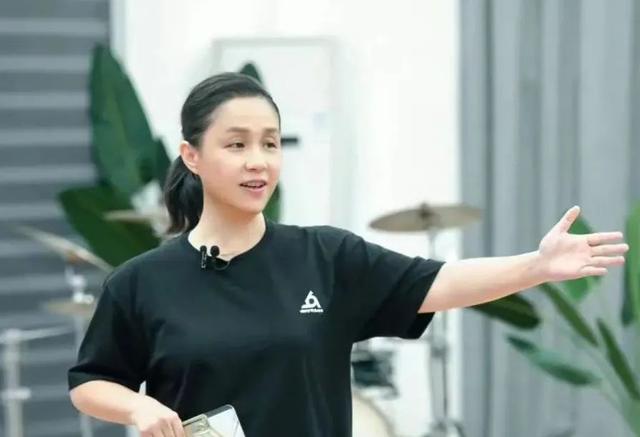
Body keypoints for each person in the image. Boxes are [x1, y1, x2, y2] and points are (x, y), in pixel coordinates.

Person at [67, 72, 628, 437]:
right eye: (236, 144)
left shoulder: (325, 256)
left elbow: (439, 282)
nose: (258, 160)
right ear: (192, 156)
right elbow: (90, 381)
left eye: (270, 143)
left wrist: (536, 266)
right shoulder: (141, 281)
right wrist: (138, 407)